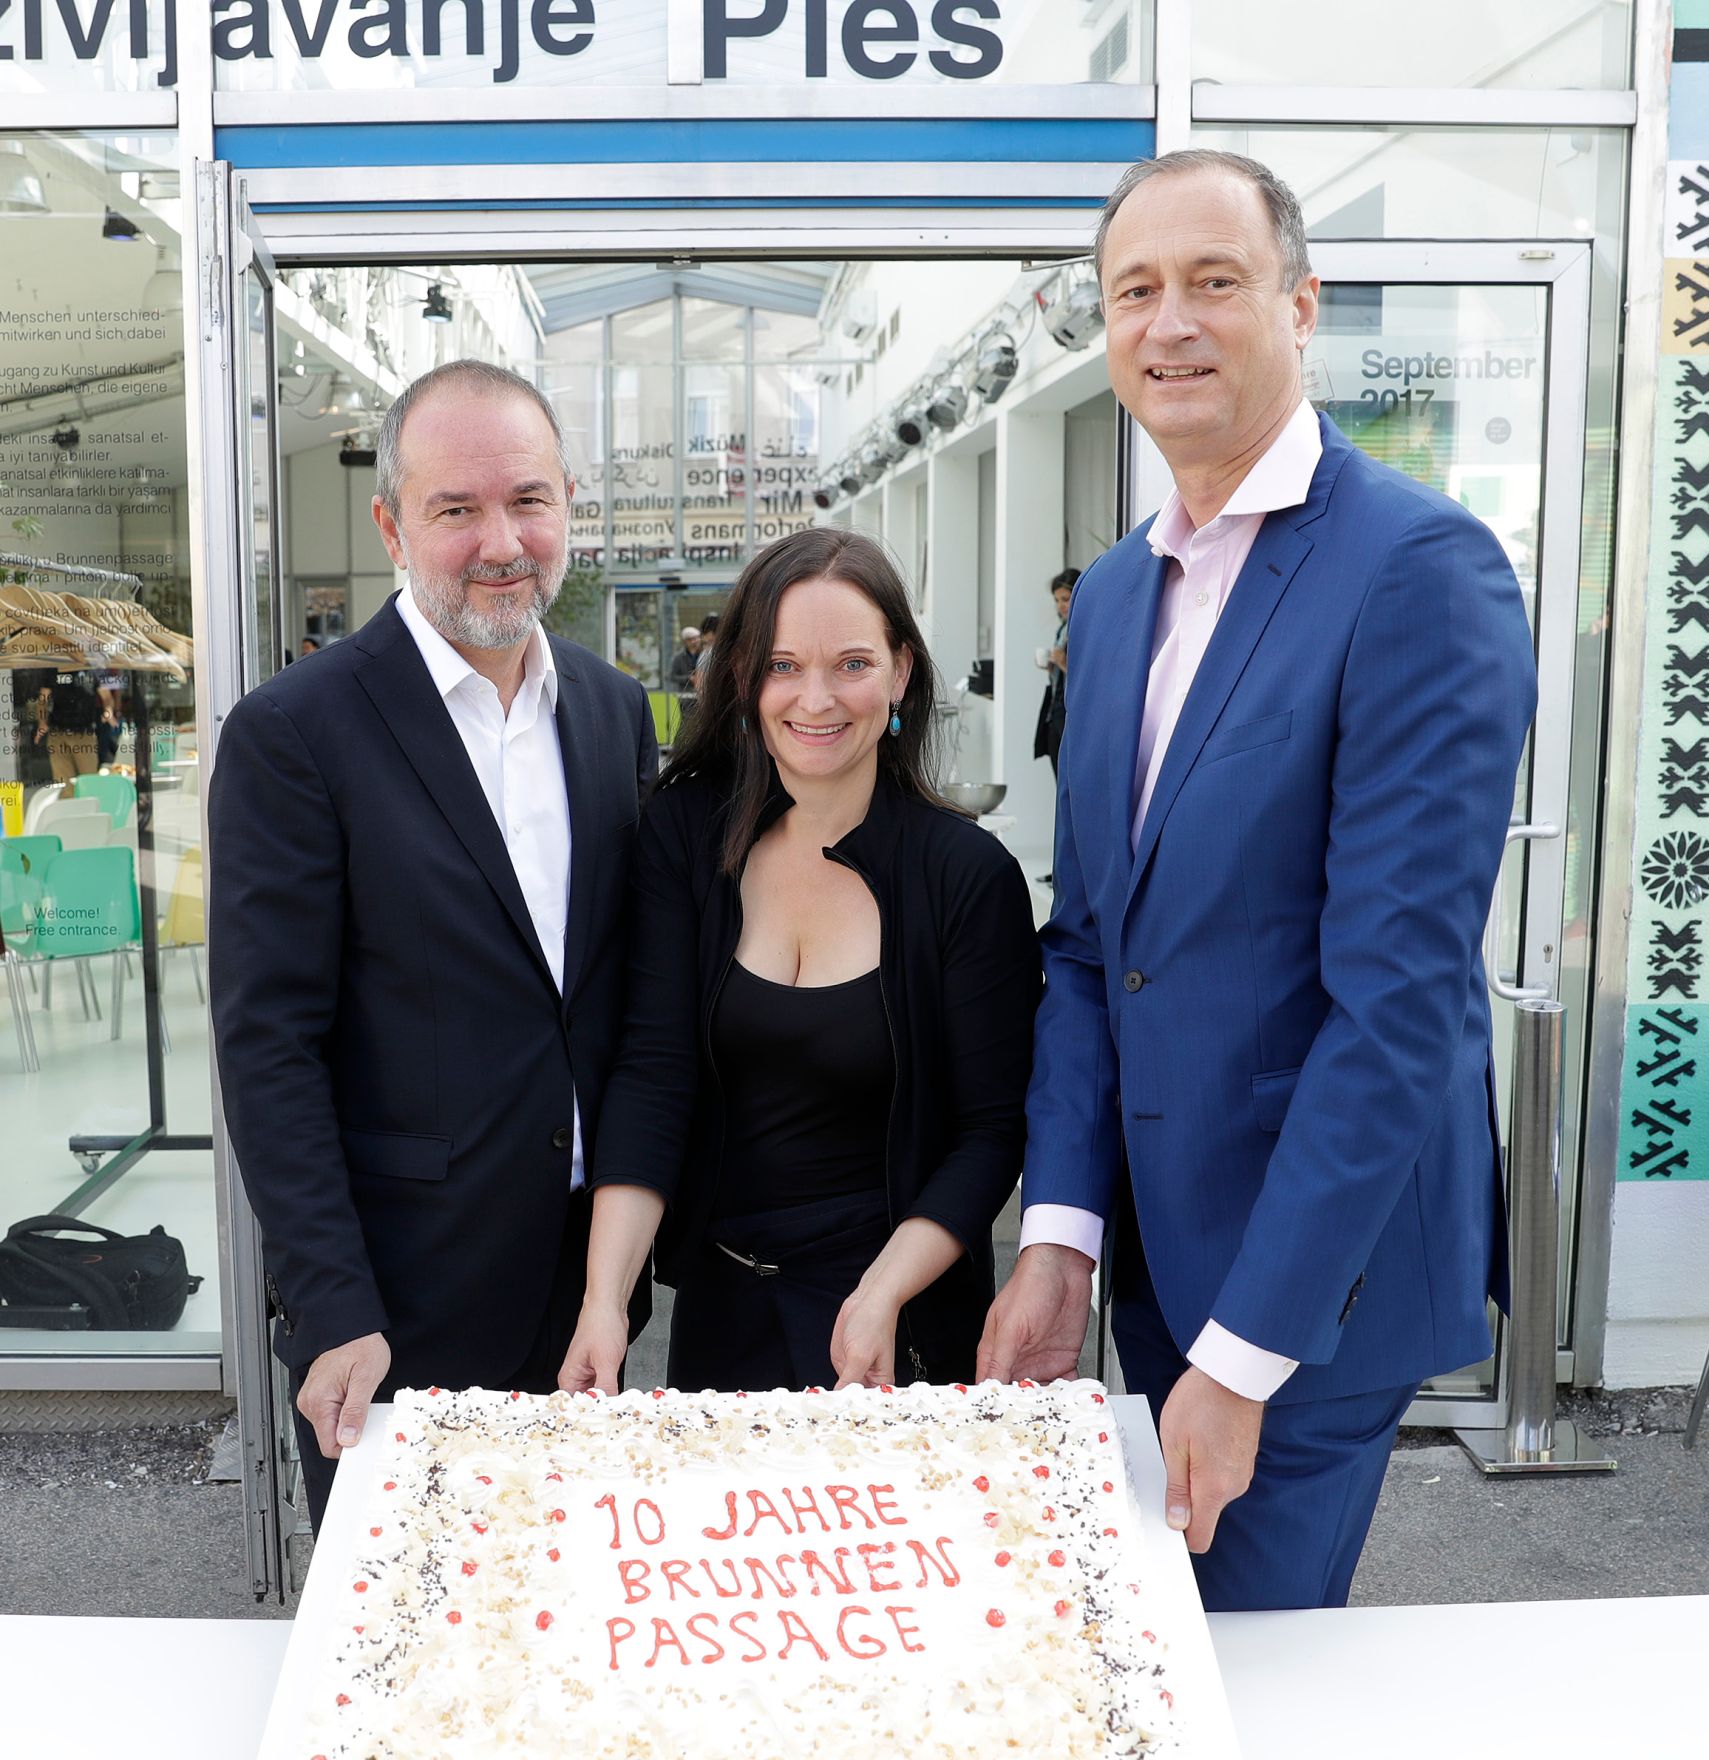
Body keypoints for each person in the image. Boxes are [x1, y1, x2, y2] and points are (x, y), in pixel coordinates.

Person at [977, 150, 1536, 1613]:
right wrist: (1060, 1235)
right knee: (1161, 1655)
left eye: (1212, 282)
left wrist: (1242, 1355)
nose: (1169, 323)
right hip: (1157, 1261)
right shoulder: (1117, 594)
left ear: (1299, 305)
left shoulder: (1418, 568)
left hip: (1307, 1297)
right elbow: (1091, 947)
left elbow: (1397, 1003)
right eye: (1134, 291)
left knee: (1248, 1665)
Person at [208, 359, 656, 1534]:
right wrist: (332, 1302)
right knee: (411, 1627)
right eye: (456, 508)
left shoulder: (611, 712)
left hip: (586, 1298)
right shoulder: (295, 734)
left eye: (528, 499)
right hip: (396, 1313)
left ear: (569, 503)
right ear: (392, 526)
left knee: (571, 1604)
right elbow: (269, 1045)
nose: (501, 542)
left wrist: (616, 1277)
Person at [558, 527, 1040, 1398]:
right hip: (721, 1314)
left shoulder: (968, 876)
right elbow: (654, 1075)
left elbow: (990, 1133)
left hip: (895, 1320)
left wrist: (883, 1293)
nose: (816, 699)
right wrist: (604, 1302)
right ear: (744, 677)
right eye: (783, 665)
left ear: (900, 673)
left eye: (852, 664)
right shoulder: (684, 836)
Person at [1031, 566, 1078, 780]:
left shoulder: (1082, 627)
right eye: (1057, 600)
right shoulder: (1062, 629)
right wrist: (1053, 668)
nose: (1061, 606)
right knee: (1059, 778)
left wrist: (1063, 663)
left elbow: (1088, 678)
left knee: (1069, 778)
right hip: (1055, 711)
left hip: (1070, 713)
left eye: (1065, 599)